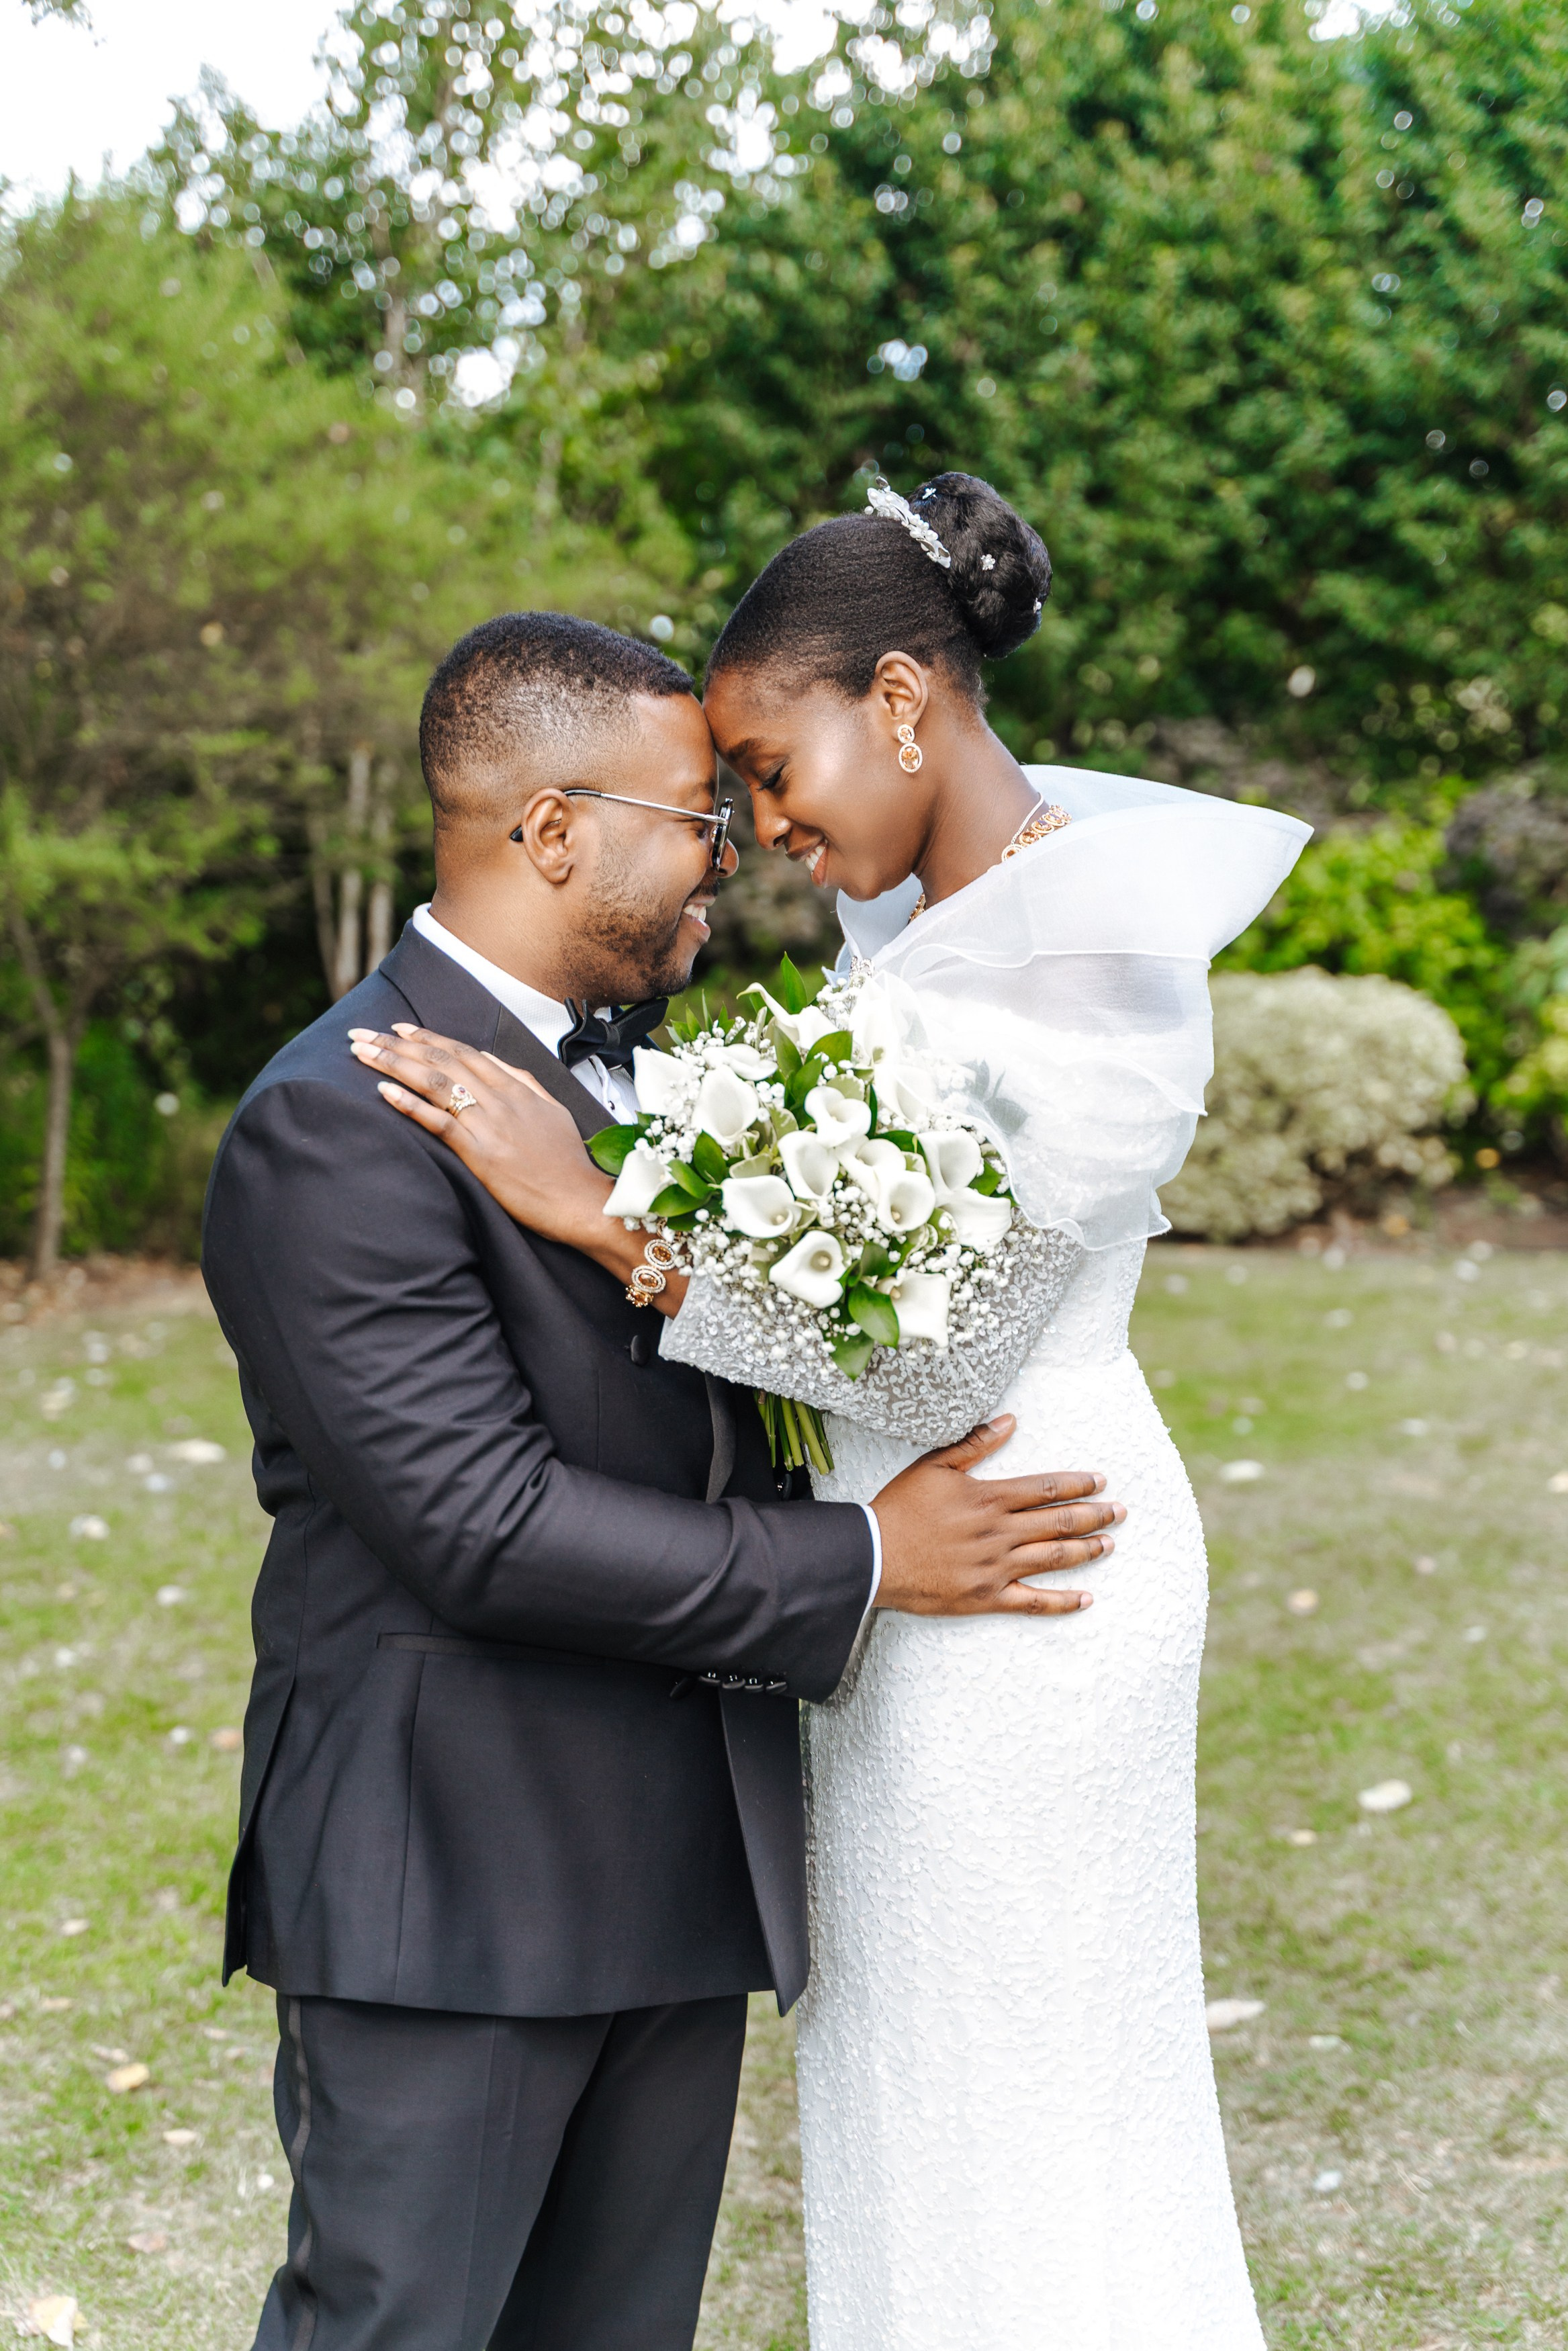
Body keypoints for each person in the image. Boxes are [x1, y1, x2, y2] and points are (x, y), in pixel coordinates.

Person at [361, 479, 1312, 2349]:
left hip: (1024, 1555)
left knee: (1034, 2085)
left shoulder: (1090, 946)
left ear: (899, 698)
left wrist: (608, 1216)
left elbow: (946, 1362)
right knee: (917, 2084)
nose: (764, 830)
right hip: (897, 1580)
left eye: (770, 769)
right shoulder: (933, 938)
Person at [202, 609, 1122, 2351]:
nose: (731, 852)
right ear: (553, 829)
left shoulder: (668, 1083)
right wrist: (865, 1560)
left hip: (679, 1856)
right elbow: (481, 1527)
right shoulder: (334, 1118)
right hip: (454, 1880)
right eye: (699, 815)